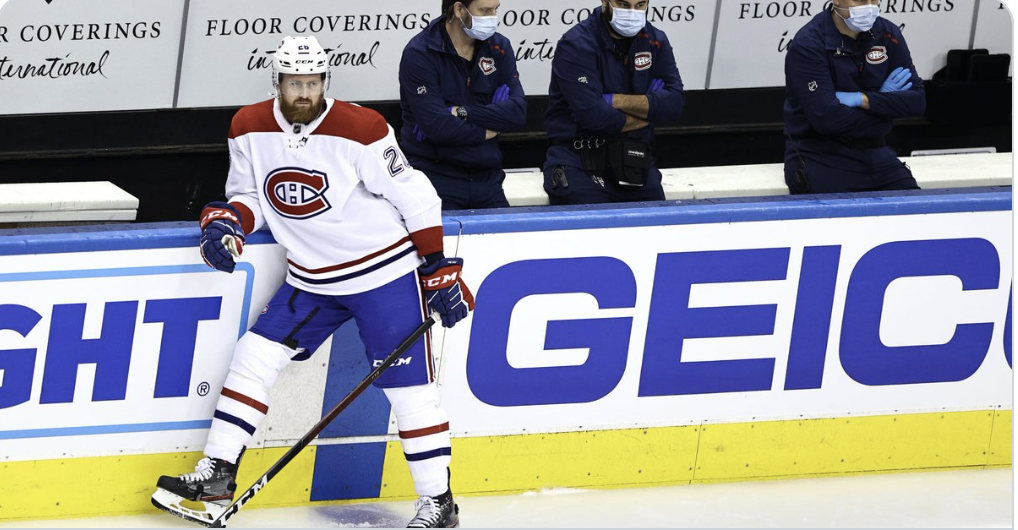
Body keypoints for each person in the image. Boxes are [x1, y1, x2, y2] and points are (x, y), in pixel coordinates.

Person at [150, 35, 471, 529]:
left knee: (409, 390)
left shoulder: (362, 128)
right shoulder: (247, 126)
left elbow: (417, 197)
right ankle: (217, 471)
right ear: (276, 81)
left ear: (326, 80)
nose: (305, 92)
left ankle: (437, 501)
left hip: (381, 273)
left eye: (314, 82)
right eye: (295, 82)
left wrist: (435, 266)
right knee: (253, 357)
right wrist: (229, 221)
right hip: (311, 277)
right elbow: (250, 195)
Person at [543, 0, 685, 205]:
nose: (632, 12)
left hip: (635, 160)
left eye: (640, 5)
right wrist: (650, 109)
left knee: (657, 228)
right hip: (579, 163)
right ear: (604, 1)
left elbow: (675, 104)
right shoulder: (576, 43)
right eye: (623, 4)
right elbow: (595, 117)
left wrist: (614, 100)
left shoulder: (655, 40)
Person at [783, 0, 925, 194]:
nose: (868, 5)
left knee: (916, 211)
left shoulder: (888, 33)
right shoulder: (808, 43)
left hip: (877, 152)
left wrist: (863, 99)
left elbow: (917, 102)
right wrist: (884, 110)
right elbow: (828, 120)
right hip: (820, 155)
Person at [398, 0, 527, 210]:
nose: (493, 18)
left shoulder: (499, 47)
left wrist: (461, 111)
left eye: (496, 10)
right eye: (485, 11)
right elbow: (438, 126)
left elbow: (518, 113)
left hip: (487, 178)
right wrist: (492, 127)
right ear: (459, 9)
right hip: (434, 177)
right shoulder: (420, 52)